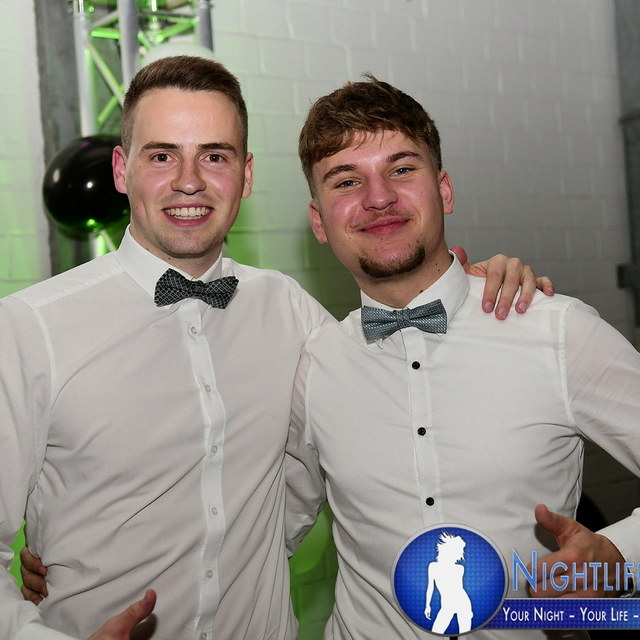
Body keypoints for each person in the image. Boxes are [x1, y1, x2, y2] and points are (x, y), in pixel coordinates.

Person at [6, 56, 546, 640]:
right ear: (121, 169)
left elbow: (399, 368)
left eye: (215, 156)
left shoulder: (290, 311)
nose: (189, 181)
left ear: (246, 174)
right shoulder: (29, 328)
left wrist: (475, 293)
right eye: (162, 156)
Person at [286, 75, 640, 639]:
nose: (378, 197)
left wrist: (619, 553)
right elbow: (266, 529)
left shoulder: (556, 330)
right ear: (318, 222)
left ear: (444, 190)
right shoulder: (313, 364)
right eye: (347, 181)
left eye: (402, 169)